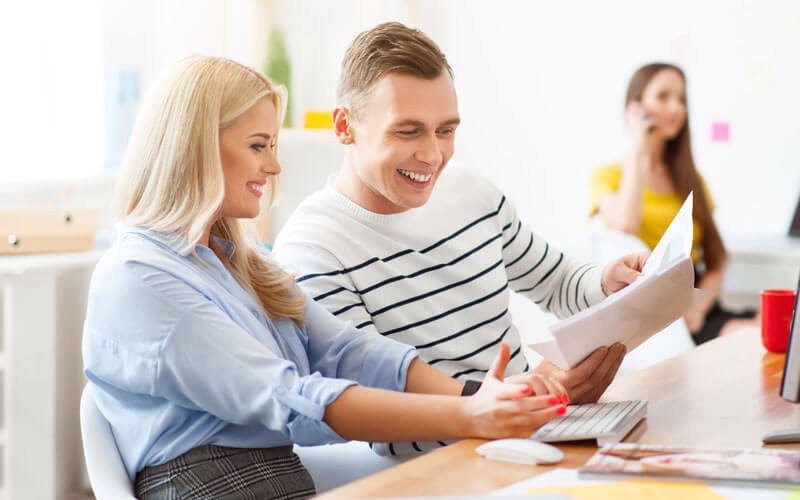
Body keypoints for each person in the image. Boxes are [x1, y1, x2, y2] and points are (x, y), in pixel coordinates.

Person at [81, 55, 572, 500]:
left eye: (272, 145)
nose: (273, 166)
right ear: (196, 148)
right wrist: (470, 417)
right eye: (258, 145)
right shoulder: (139, 276)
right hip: (207, 487)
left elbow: (343, 350)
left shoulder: (236, 262)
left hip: (281, 477)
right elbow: (289, 396)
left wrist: (477, 396)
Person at [272, 22, 647, 456]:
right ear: (344, 126)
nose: (433, 155)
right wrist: (523, 399)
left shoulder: (472, 192)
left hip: (533, 432)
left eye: (446, 130)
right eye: (407, 131)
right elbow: (375, 405)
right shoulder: (310, 249)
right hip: (441, 461)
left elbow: (558, 282)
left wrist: (605, 282)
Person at [590, 63, 756, 345]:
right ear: (636, 106)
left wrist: (699, 308)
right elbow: (625, 225)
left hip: (697, 304)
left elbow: (717, 258)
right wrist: (638, 149)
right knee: (759, 338)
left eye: (681, 99)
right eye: (664, 96)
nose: (676, 108)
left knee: (781, 326)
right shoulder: (609, 176)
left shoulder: (691, 179)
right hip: (656, 315)